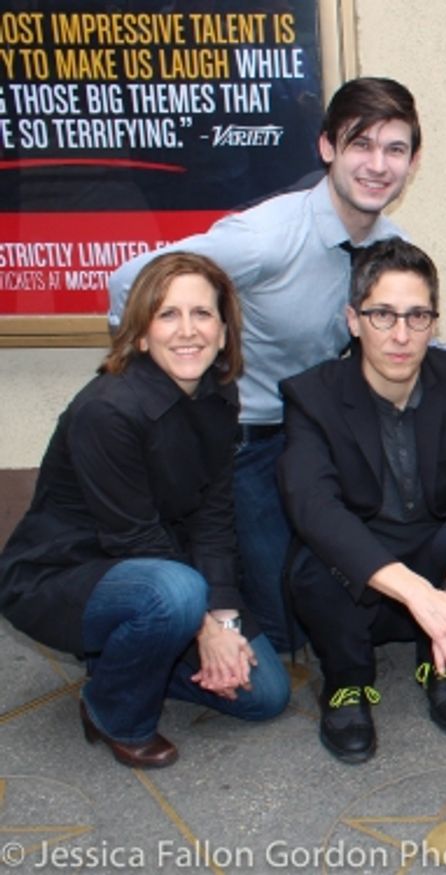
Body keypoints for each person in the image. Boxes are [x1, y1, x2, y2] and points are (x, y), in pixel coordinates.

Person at [107, 77, 424, 653]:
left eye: (394, 149)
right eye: (361, 144)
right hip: (246, 440)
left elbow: (420, 343)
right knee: (284, 630)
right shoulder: (265, 238)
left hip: (316, 430)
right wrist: (159, 381)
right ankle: (177, 617)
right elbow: (132, 280)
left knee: (341, 597)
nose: (378, 165)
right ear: (327, 147)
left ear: (412, 162)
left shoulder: (389, 245)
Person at [0, 253, 290, 769]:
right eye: (167, 314)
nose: (188, 331)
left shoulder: (218, 395)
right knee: (175, 594)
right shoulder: (107, 410)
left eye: (202, 314)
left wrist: (224, 623)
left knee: (266, 695)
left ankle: (132, 658)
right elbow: (132, 537)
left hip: (163, 572)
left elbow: (214, 516)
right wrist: (205, 631)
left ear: (224, 331)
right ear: (139, 335)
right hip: (62, 576)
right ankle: (113, 711)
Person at [277, 239, 446, 764]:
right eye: (383, 315)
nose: (401, 335)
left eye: (417, 316)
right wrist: (419, 597)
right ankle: (347, 681)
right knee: (315, 560)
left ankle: (441, 659)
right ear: (353, 320)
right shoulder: (312, 395)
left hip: (437, 554)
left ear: (433, 322)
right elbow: (313, 506)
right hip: (362, 568)